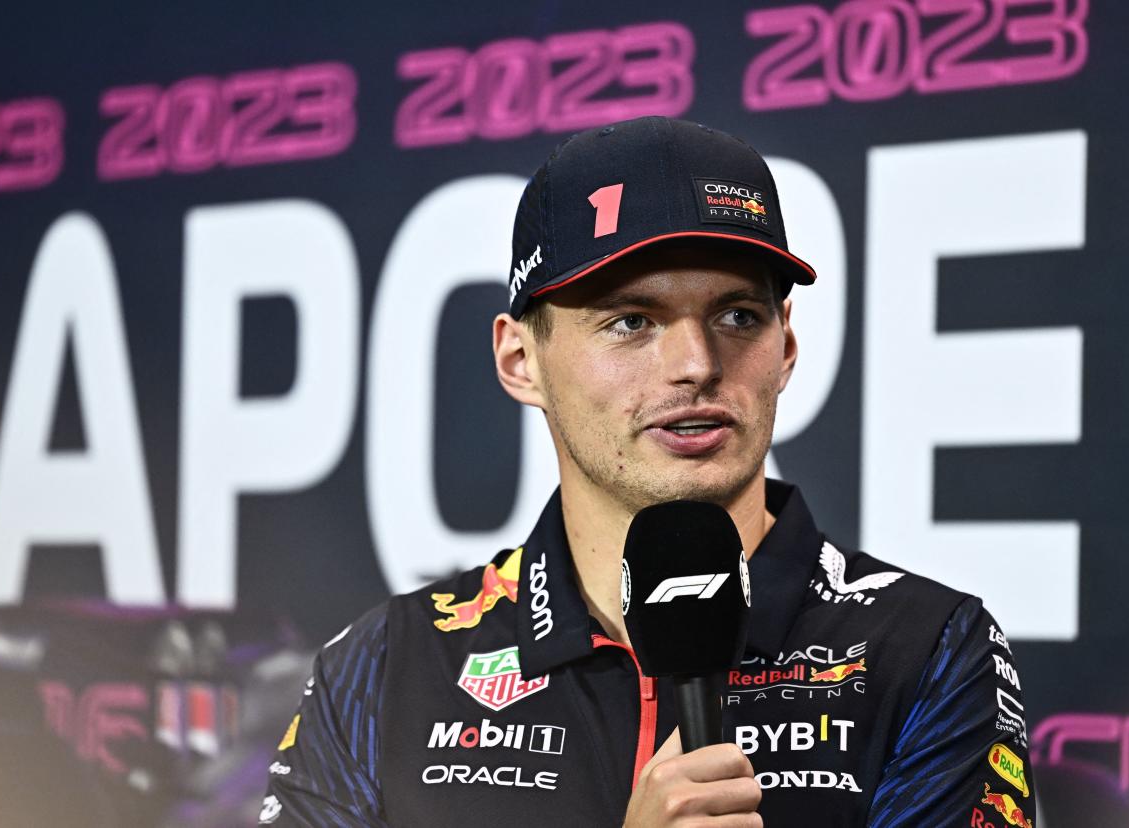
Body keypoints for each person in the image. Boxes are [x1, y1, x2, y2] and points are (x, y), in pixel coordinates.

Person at [259, 116, 1035, 827]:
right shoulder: (390, 665)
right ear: (520, 359)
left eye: (738, 315)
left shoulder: (925, 648)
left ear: (786, 351)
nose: (697, 365)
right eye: (631, 321)